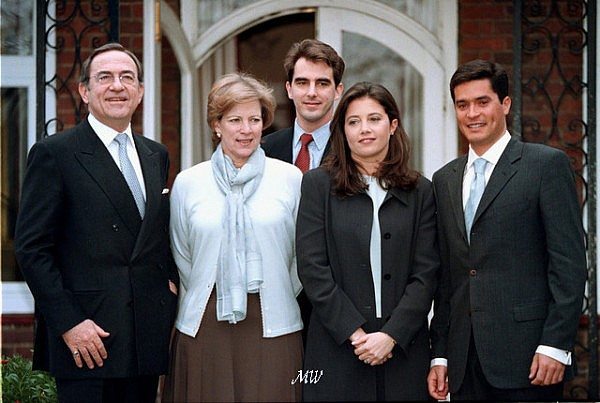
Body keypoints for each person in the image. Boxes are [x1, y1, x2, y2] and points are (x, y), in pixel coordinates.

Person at [14, 43, 179, 403]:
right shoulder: (55, 153)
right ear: (85, 91)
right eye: (105, 77)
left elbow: (155, 234)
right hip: (89, 339)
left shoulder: (156, 154)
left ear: (140, 91)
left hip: (145, 338)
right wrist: (69, 323)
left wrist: (169, 282)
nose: (117, 86)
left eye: (127, 78)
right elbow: (31, 249)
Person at [428, 59, 587, 401]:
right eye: (462, 104)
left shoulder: (545, 166)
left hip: (530, 359)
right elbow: (448, 277)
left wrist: (555, 344)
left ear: (505, 104)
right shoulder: (444, 180)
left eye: (482, 102)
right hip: (464, 362)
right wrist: (440, 353)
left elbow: (569, 264)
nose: (472, 113)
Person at [163, 72, 303, 402]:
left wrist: (277, 286)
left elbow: (301, 257)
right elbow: (182, 256)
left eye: (255, 119)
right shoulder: (188, 183)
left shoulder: (290, 179)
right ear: (217, 124)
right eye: (235, 119)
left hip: (274, 323)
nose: (246, 129)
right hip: (205, 324)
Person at [296, 82, 439, 401]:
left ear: (393, 125)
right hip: (334, 349)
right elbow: (312, 268)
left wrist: (391, 335)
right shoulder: (317, 186)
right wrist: (355, 333)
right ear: (342, 131)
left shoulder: (421, 191)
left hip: (404, 349)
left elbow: (426, 274)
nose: (364, 129)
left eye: (374, 119)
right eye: (353, 121)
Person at [261, 38, 344, 343]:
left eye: (322, 83)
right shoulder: (264, 149)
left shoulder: (355, 152)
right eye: (302, 82)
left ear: (338, 90)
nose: (311, 92)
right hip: (274, 302)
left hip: (336, 307)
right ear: (288, 88)